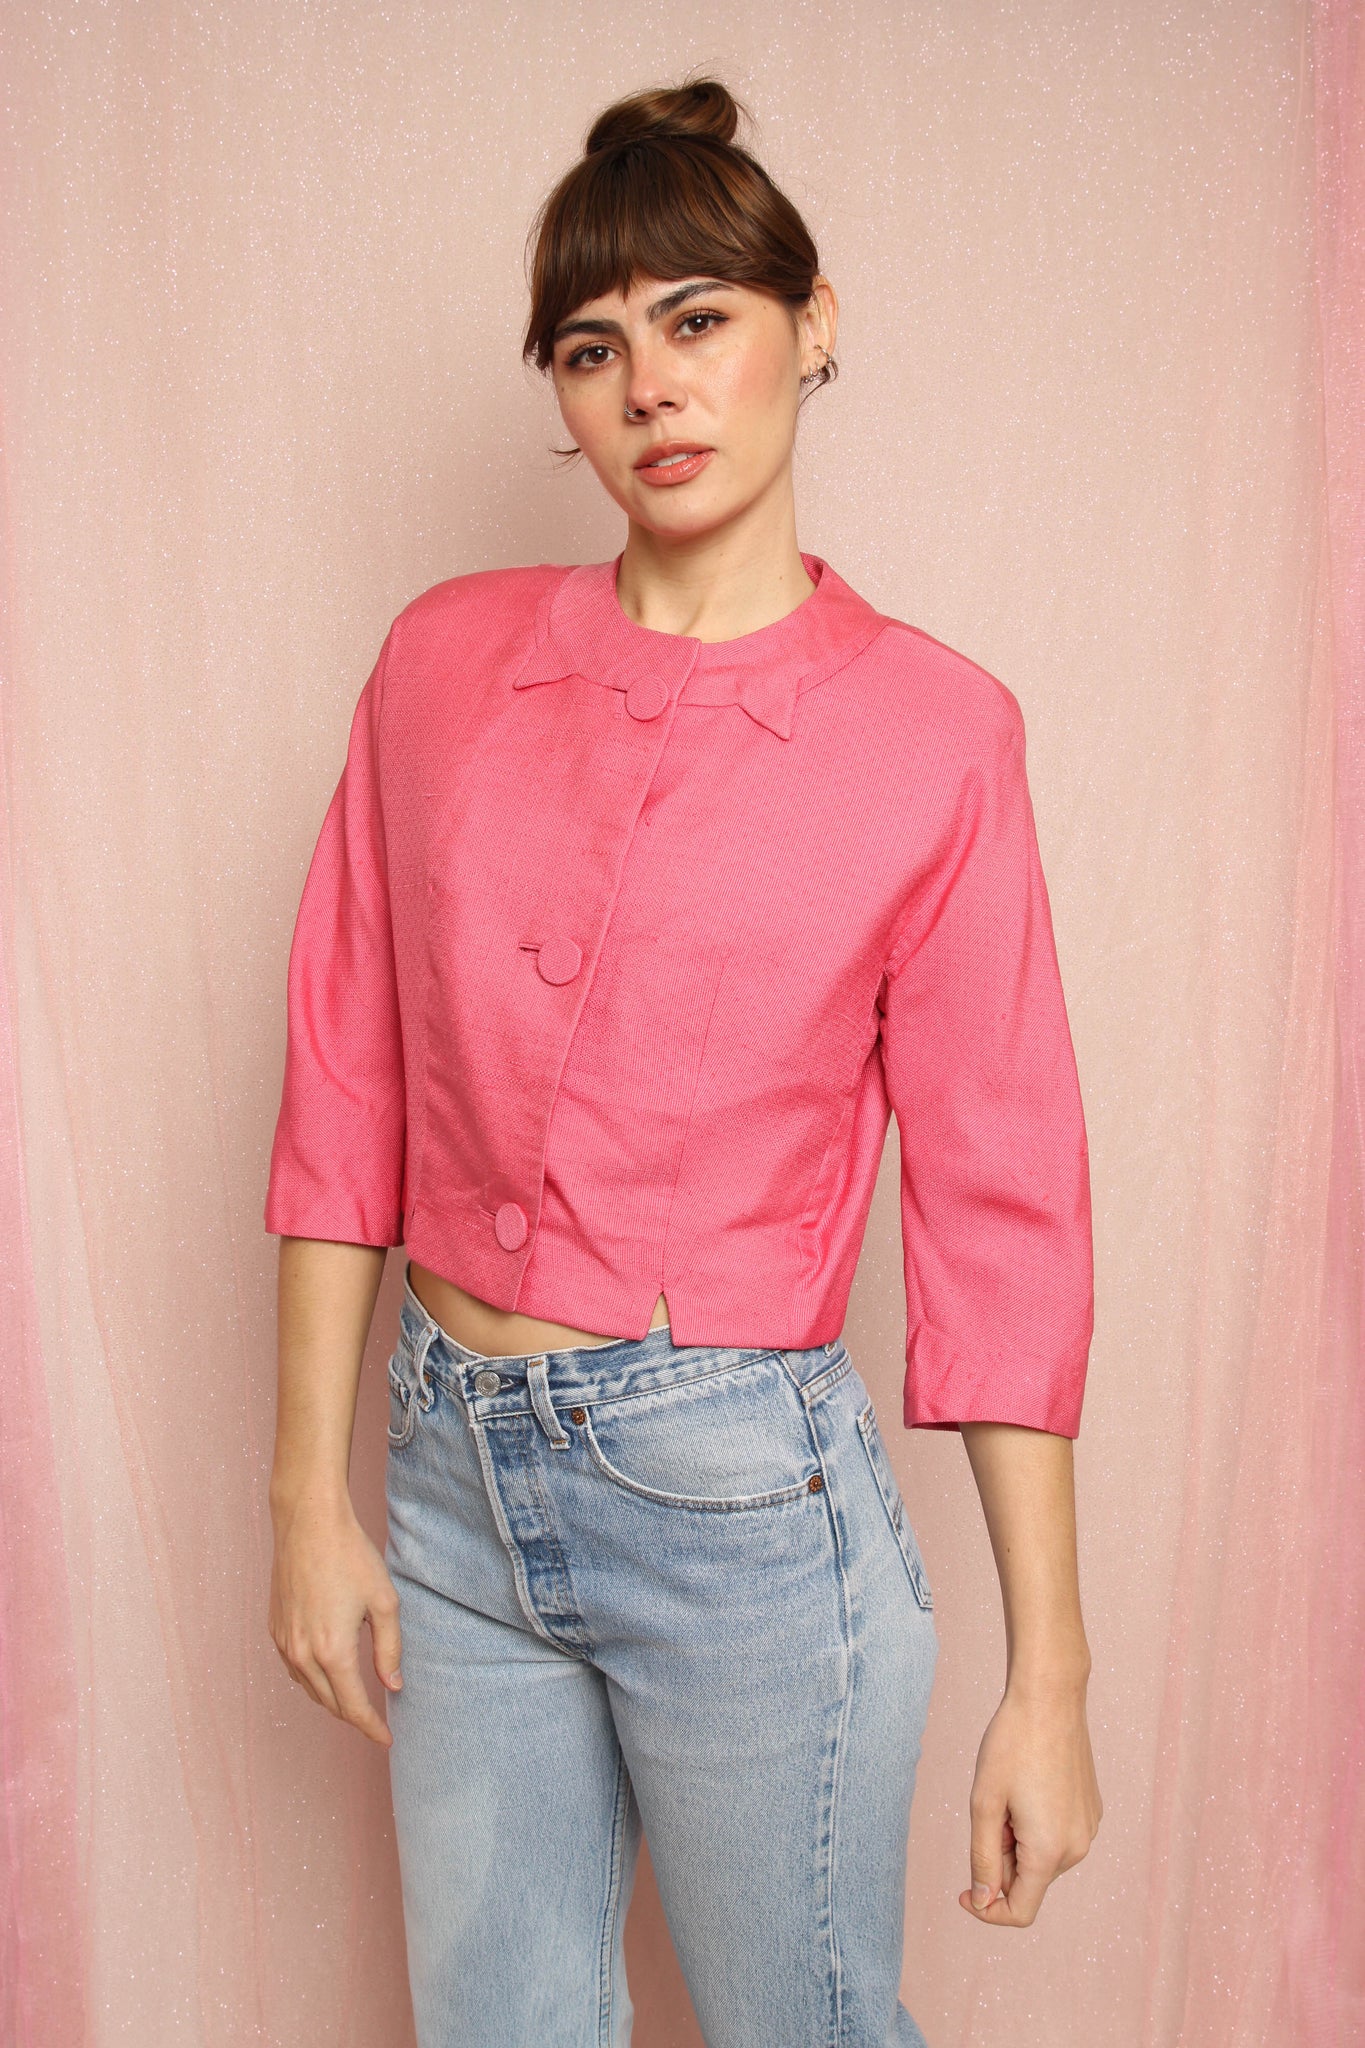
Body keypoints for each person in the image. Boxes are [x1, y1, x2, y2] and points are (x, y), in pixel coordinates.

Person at [264, 75, 1102, 2048]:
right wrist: (306, 1493)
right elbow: (345, 1073)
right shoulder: (440, 663)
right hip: (444, 1474)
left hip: (736, 1505)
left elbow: (1000, 1209)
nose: (648, 384)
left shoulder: (935, 735)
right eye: (590, 346)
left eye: (698, 318)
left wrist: (1047, 1679)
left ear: (812, 326)